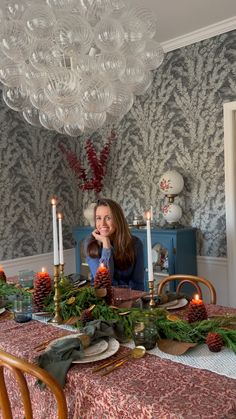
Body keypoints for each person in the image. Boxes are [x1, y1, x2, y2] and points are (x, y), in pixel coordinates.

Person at [84, 198, 145, 291]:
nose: (102, 223)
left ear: (118, 220)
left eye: (108, 218)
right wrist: (106, 245)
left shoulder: (135, 244)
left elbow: (138, 283)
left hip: (129, 298)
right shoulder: (90, 243)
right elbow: (103, 283)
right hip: (102, 299)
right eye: (98, 218)